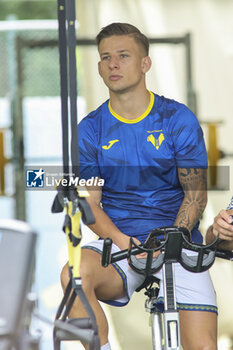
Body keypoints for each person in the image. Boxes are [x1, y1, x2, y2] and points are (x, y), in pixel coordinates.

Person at [61, 23, 217, 350]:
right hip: (120, 242)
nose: (113, 64)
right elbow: (90, 204)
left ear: (145, 63)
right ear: (99, 67)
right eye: (105, 57)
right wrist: (124, 241)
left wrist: (172, 240)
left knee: (202, 347)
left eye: (123, 55)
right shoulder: (89, 129)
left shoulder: (177, 119)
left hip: (178, 241)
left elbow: (196, 195)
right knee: (74, 275)